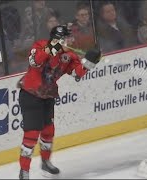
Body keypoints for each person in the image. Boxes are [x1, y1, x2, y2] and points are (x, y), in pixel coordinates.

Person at [17, 25, 101, 179]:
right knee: (32, 134)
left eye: (69, 38)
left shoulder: (69, 55)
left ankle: (45, 162)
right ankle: (24, 172)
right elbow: (35, 61)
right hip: (30, 95)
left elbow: (77, 73)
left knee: (48, 131)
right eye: (65, 38)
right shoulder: (40, 45)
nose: (69, 40)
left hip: (47, 96)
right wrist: (53, 48)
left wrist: (90, 63)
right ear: (55, 39)